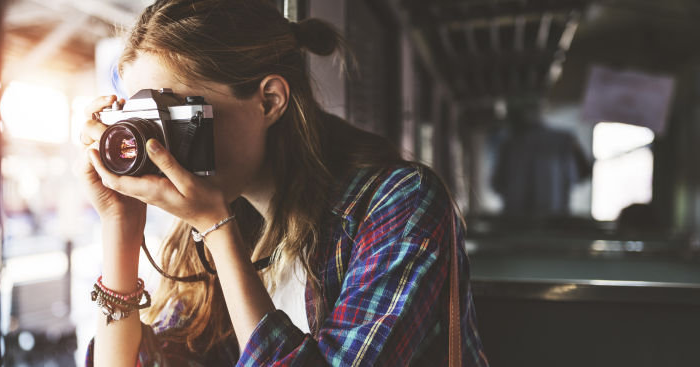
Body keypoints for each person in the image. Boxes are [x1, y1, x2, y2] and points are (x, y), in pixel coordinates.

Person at [74, 0, 489, 366]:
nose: (154, 143)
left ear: (270, 101)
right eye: (144, 118)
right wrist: (121, 228)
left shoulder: (399, 204)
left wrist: (218, 230)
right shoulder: (211, 221)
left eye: (174, 114)